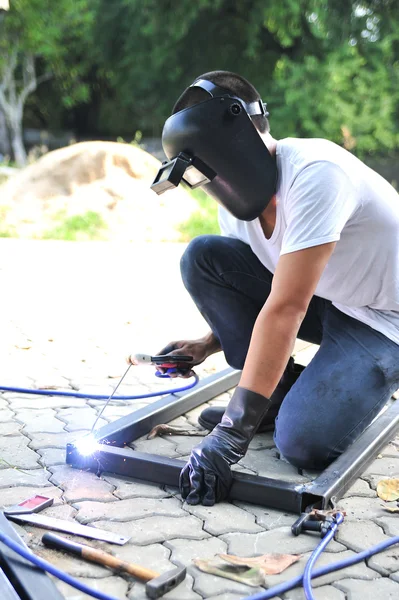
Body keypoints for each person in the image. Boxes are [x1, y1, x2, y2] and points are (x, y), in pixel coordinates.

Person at [141, 70, 399, 506]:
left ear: (238, 136)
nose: (211, 184)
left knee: (302, 443)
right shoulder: (239, 202)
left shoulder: (316, 172)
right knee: (205, 257)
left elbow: (286, 308)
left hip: (383, 317)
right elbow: (263, 290)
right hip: (332, 296)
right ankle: (275, 395)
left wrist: (233, 432)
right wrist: (207, 344)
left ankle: (291, 406)